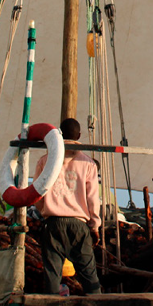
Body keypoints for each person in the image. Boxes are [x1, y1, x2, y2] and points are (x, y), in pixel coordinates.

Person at [34, 118, 102, 295]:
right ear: (79, 135)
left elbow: (36, 193)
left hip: (52, 223)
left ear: (60, 133)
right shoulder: (89, 163)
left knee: (52, 275)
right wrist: (94, 226)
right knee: (89, 275)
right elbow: (93, 199)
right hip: (79, 225)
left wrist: (45, 212)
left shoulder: (45, 160)